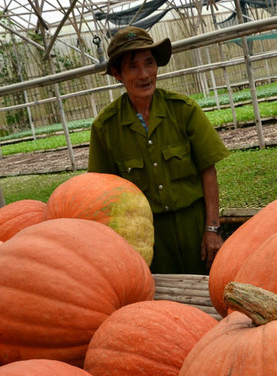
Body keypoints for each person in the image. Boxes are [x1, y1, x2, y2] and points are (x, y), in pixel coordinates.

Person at [88, 26, 230, 274]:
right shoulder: (105, 127)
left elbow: (208, 170)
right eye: (133, 67)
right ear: (117, 74)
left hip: (194, 228)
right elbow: (101, 195)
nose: (144, 74)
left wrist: (212, 229)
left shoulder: (183, 110)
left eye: (149, 63)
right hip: (145, 238)